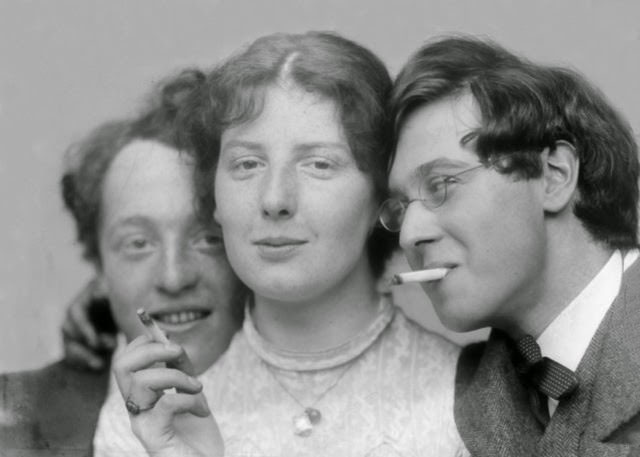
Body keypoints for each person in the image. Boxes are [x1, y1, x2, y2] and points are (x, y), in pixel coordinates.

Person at [107, 31, 466, 457]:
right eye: (247, 163)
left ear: (381, 197)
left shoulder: (469, 403)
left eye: (318, 163)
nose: (275, 199)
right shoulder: (145, 419)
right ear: (215, 199)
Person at [381, 36, 640, 456]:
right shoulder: (452, 398)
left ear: (554, 175)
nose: (409, 235)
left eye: (442, 184)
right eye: (400, 206)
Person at [0, 71, 245, 456]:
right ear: (98, 267)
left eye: (208, 239)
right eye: (138, 244)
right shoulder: (15, 423)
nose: (174, 277)